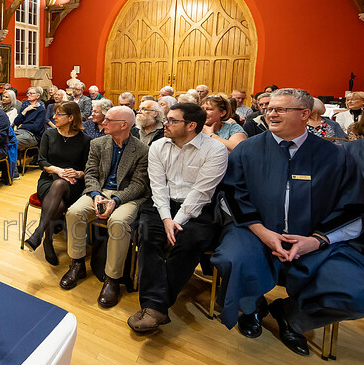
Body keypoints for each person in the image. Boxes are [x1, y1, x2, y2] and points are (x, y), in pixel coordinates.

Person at [212, 89, 364, 356]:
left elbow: (353, 205)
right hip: (255, 232)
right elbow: (232, 195)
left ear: (304, 114)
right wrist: (263, 233)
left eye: (280, 109)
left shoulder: (335, 156)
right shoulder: (247, 151)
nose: (271, 113)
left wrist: (317, 240)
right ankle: (251, 308)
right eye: (270, 108)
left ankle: (293, 317)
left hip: (318, 239)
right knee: (232, 258)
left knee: (360, 293)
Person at [127, 103, 228, 333]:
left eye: (173, 120)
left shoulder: (215, 150)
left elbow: (201, 193)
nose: (166, 123)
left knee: (188, 243)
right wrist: (166, 219)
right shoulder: (158, 145)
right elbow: (158, 186)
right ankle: (156, 308)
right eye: (167, 119)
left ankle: (154, 307)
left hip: (198, 208)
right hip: (162, 205)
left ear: (191, 125)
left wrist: (177, 221)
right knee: (149, 237)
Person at [60, 106, 149, 308]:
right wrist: (96, 194)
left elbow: (139, 184)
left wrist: (115, 200)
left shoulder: (142, 150)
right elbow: (90, 173)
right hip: (99, 191)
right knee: (74, 212)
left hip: (127, 196)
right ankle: (77, 264)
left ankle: (112, 279)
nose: (102, 122)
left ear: (124, 125)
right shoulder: (98, 143)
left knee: (118, 222)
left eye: (108, 119)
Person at [24, 100, 91, 264]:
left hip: (73, 184)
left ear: (70, 117)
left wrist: (77, 173)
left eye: (58, 114)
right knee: (59, 204)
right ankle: (47, 240)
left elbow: (88, 169)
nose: (54, 117)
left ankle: (40, 234)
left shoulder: (85, 140)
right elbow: (41, 161)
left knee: (61, 184)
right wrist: (58, 170)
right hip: (48, 179)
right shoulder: (49, 134)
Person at [13, 86, 46, 151]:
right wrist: (24, 111)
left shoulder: (41, 110)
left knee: (11, 142)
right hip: (20, 131)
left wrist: (22, 126)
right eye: (28, 93)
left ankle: (11, 161)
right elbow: (16, 122)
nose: (29, 95)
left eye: (31, 93)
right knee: (3, 139)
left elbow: (36, 128)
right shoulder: (26, 108)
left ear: (37, 96)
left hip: (33, 136)